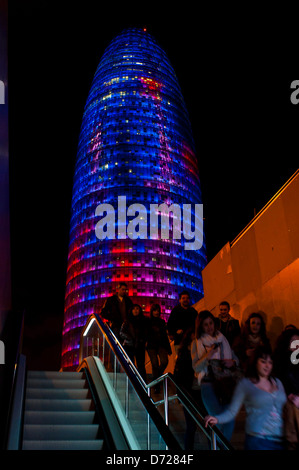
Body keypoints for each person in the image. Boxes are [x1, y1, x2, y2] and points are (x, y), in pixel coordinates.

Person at [204, 346, 287, 450]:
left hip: (279, 439)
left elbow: (285, 408)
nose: (267, 366)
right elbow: (232, 411)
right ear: (255, 362)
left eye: (270, 362)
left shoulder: (278, 382)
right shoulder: (246, 384)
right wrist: (217, 419)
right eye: (263, 361)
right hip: (258, 439)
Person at [191, 310, 237, 440]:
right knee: (217, 419)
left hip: (225, 382)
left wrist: (232, 362)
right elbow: (195, 366)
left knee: (230, 419)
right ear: (201, 326)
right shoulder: (196, 343)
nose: (209, 327)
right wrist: (208, 355)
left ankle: (222, 447)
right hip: (208, 384)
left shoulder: (223, 339)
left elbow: (235, 360)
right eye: (205, 324)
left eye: (211, 323)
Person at [173, 327, 206, 450]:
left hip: (201, 392)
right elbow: (177, 376)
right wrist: (179, 395)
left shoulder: (203, 353)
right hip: (188, 392)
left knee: (207, 425)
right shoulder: (184, 355)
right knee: (191, 426)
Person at [273, 327, 299, 450]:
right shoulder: (281, 360)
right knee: (292, 407)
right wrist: (290, 394)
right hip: (287, 398)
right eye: (294, 342)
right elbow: (280, 379)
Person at [146, 303, 172, 392]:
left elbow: (165, 335)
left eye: (158, 310)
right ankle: (156, 384)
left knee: (164, 361)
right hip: (151, 345)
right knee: (154, 363)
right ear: (152, 311)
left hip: (161, 344)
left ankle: (156, 378)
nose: (157, 312)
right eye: (155, 310)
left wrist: (168, 349)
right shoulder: (148, 321)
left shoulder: (161, 322)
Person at [119, 304, 148, 381]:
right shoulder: (127, 321)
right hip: (129, 345)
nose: (135, 310)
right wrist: (131, 339)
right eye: (134, 309)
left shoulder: (143, 321)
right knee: (130, 365)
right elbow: (121, 332)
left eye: (137, 309)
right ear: (131, 310)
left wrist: (142, 340)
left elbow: (146, 333)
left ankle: (143, 383)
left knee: (141, 365)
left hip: (140, 346)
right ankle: (132, 381)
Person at [167, 291, 198, 357]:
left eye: (187, 298)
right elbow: (170, 324)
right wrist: (175, 332)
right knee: (181, 361)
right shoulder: (175, 311)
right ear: (180, 300)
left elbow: (198, 322)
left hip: (191, 341)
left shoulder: (192, 311)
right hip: (179, 341)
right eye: (183, 298)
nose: (185, 300)